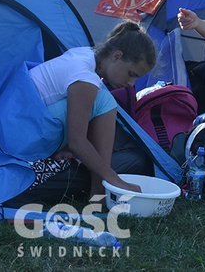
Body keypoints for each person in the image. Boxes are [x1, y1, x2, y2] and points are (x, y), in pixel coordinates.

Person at [26, 21, 156, 197]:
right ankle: (99, 191)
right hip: (21, 137)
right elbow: (77, 141)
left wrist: (66, 149)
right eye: (131, 74)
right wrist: (115, 180)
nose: (130, 84)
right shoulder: (85, 77)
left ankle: (98, 189)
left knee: (102, 98)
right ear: (116, 56)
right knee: (105, 101)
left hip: (19, 125)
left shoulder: (84, 54)